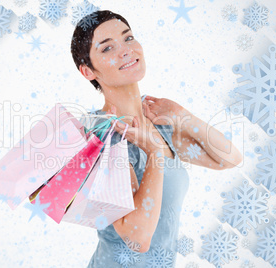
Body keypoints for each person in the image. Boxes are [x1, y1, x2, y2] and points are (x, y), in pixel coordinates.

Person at [70, 10, 243, 267]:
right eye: (107, 49)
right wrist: (154, 153)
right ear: (88, 71)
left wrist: (183, 116)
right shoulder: (101, 136)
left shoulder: (156, 122)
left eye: (128, 38)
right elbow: (137, 239)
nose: (125, 50)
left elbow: (228, 159)